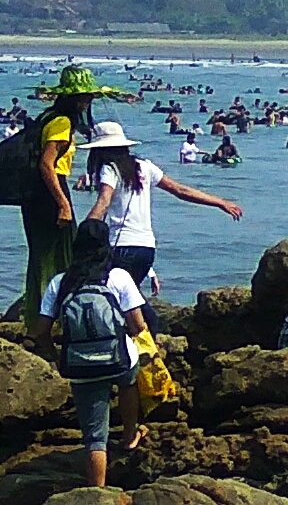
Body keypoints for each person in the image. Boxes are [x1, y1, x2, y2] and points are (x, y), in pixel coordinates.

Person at [83, 121, 243, 329]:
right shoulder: (144, 166)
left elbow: (104, 201)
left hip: (120, 247)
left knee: (115, 299)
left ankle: (151, 332)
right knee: (129, 299)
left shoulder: (109, 169)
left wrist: (86, 231)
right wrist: (220, 202)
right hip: (146, 249)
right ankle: (149, 334)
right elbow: (180, 190)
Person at [30, 218, 150, 487]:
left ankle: (97, 492)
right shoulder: (118, 277)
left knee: (95, 438)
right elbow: (138, 325)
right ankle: (129, 435)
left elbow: (40, 331)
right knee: (129, 377)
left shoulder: (60, 282)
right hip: (118, 360)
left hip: (80, 365)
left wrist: (57, 357)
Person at [18, 63, 126, 322]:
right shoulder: (62, 123)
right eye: (85, 97)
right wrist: (64, 204)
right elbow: (47, 164)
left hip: (38, 193)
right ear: (76, 99)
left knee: (44, 255)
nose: (88, 102)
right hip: (50, 191)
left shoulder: (47, 117)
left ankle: (40, 314)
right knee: (58, 255)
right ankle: (45, 317)